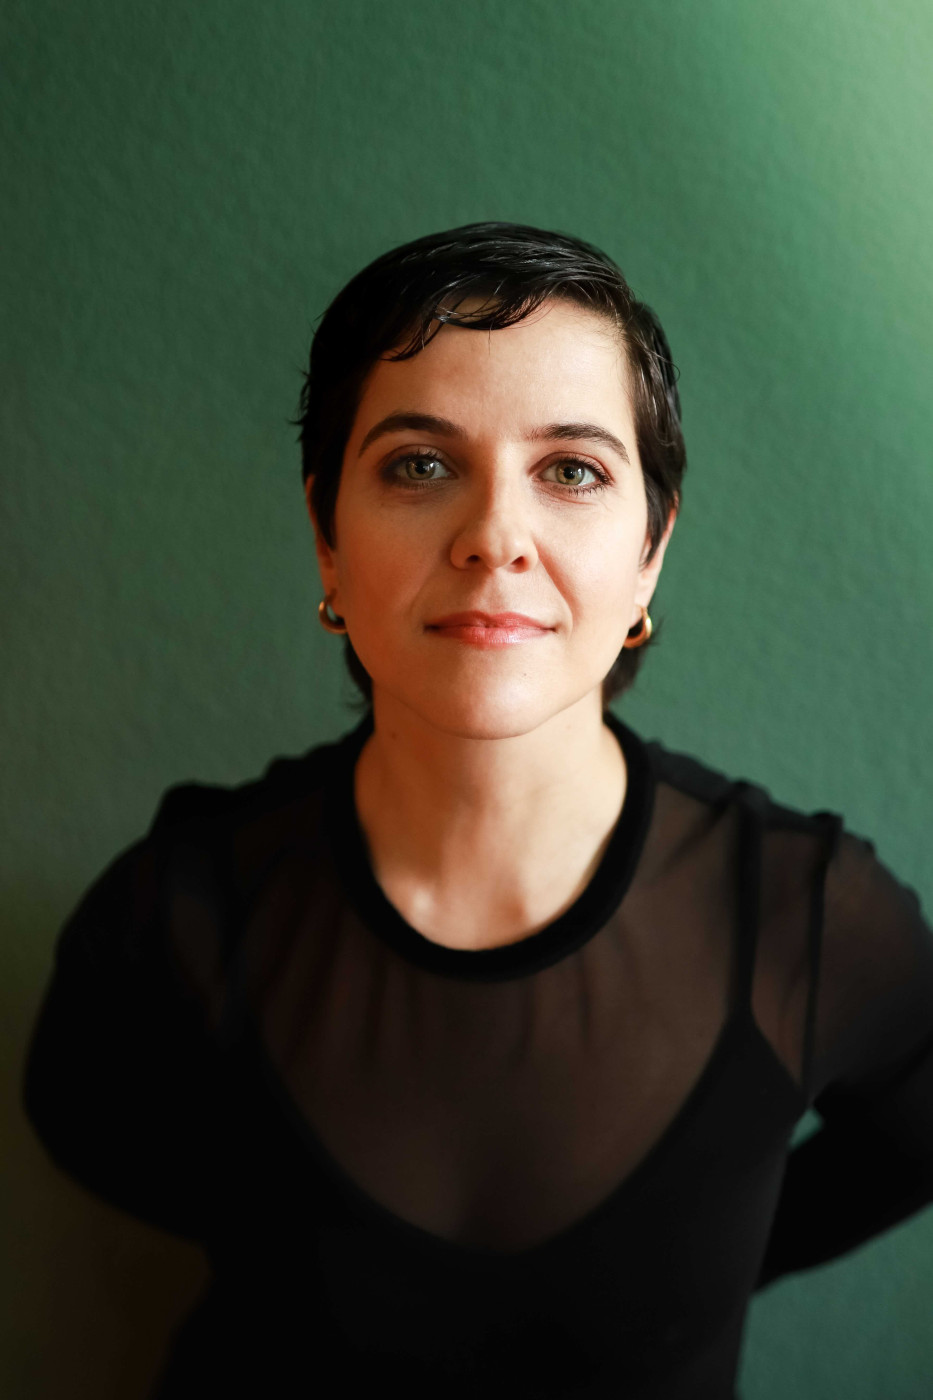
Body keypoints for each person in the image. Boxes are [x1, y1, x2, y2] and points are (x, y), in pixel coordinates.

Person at [21, 222, 933, 1399]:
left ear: (651, 548)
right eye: (419, 464)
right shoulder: (178, 910)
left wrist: (717, 1262)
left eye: (573, 470)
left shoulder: (807, 919)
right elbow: (83, 1125)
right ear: (327, 537)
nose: (496, 536)